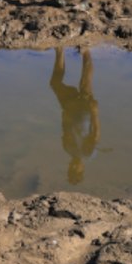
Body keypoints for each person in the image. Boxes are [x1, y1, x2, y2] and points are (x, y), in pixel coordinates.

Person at [49, 46, 100, 184]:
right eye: (76, 169)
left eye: (71, 169)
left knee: (55, 84)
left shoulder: (67, 149)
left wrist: (64, 112)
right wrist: (95, 113)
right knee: (85, 84)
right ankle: (86, 51)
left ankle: (60, 51)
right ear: (82, 169)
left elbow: (65, 129)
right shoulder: (87, 154)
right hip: (85, 112)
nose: (73, 166)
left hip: (69, 109)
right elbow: (95, 134)